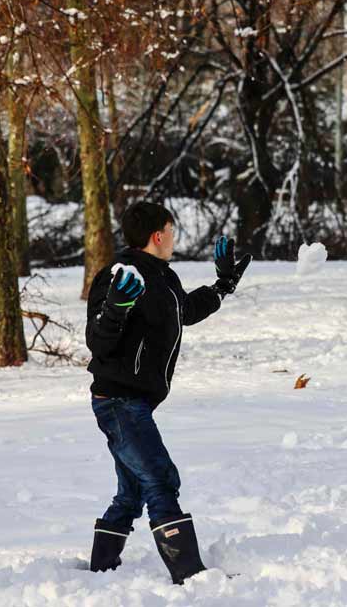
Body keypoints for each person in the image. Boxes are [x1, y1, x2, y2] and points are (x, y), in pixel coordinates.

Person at [84, 201, 251, 584]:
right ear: (158, 235)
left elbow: (184, 311)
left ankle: (101, 569)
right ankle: (189, 575)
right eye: (172, 231)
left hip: (136, 400)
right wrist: (116, 309)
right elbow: (98, 341)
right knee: (160, 479)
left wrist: (223, 286)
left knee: (131, 491)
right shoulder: (120, 275)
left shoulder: (162, 275)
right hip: (118, 400)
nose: (174, 238)